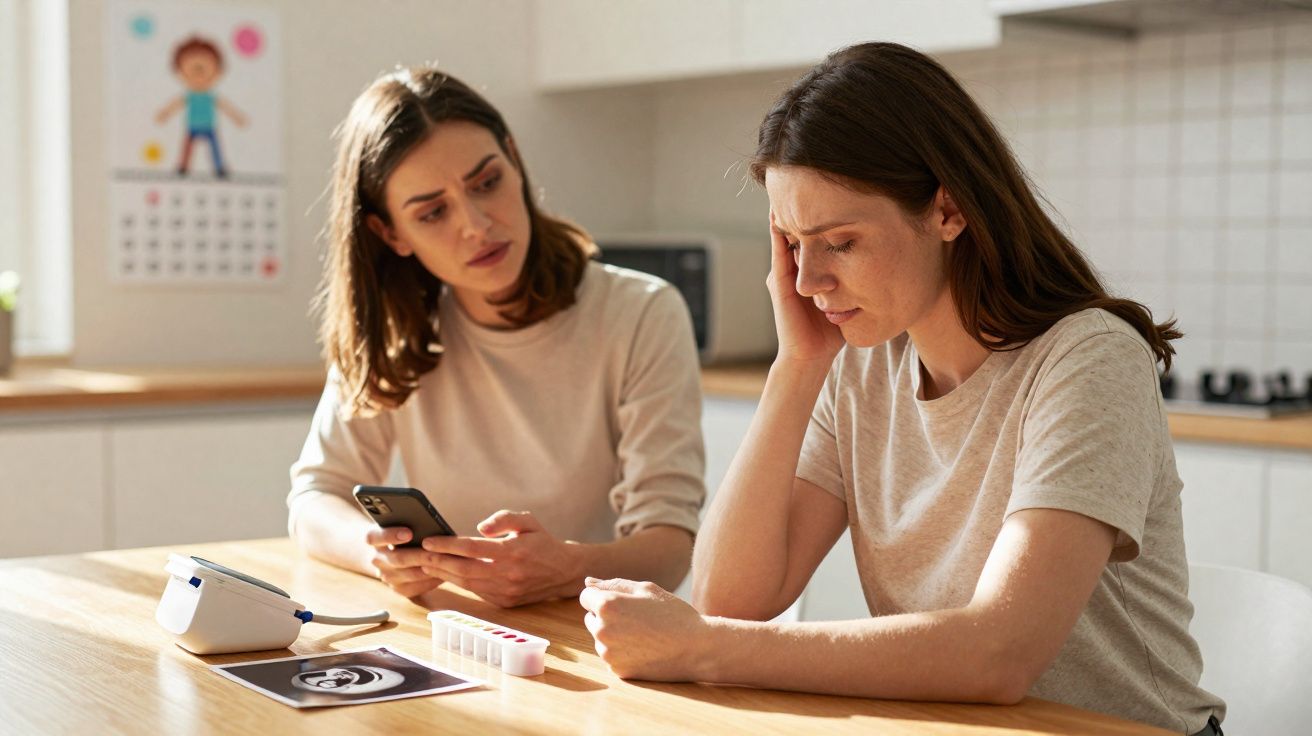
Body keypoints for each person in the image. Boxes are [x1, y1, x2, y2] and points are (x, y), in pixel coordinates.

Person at [579, 42, 1226, 736]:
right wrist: (795, 366)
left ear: (948, 211)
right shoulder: (863, 363)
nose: (806, 281)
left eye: (840, 242)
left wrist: (702, 648)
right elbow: (733, 597)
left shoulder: (1088, 359)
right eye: (795, 243)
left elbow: (998, 654)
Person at [287, 66, 705, 609]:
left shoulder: (642, 313)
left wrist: (568, 568)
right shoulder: (395, 330)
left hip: (591, 634)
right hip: (456, 633)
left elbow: (669, 549)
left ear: (514, 159)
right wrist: (377, 553)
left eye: (487, 182)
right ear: (391, 234)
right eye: (433, 212)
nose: (477, 224)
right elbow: (315, 499)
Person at [155, 36, 247, 178]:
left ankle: (219, 168)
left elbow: (226, 107)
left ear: (218, 72)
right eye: (191, 69)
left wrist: (237, 117)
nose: (198, 73)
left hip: (209, 126)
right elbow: (175, 105)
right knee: (187, 149)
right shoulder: (188, 96)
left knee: (215, 149)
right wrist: (165, 113)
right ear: (180, 73)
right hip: (192, 126)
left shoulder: (212, 97)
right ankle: (183, 167)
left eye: (205, 68)